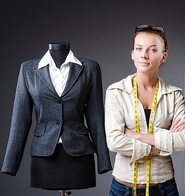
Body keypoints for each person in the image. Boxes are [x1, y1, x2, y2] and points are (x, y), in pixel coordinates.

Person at [1, 42, 112, 191]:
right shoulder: (28, 69)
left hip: (79, 153)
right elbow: (20, 120)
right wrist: (10, 164)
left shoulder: (90, 68)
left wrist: (103, 161)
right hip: (44, 155)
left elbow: (96, 117)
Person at [105, 24, 185, 196]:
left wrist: (135, 135)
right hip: (123, 187)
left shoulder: (174, 95)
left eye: (152, 50)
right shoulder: (116, 92)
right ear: (132, 54)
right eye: (139, 49)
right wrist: (161, 146)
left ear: (163, 56)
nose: (144, 55)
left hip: (164, 187)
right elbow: (114, 141)